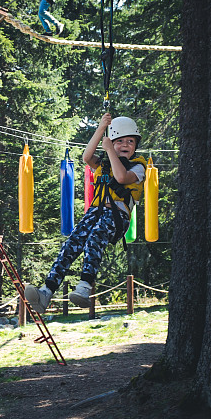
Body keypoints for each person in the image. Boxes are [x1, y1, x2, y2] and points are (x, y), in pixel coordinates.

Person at [24, 113, 147, 313]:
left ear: (136, 145)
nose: (125, 144)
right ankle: (47, 291)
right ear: (113, 142)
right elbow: (86, 157)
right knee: (72, 243)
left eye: (130, 141)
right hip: (95, 212)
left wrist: (109, 149)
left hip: (117, 216)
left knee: (95, 237)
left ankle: (84, 286)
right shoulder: (104, 163)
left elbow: (122, 177)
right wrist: (100, 129)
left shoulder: (138, 166)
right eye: (119, 141)